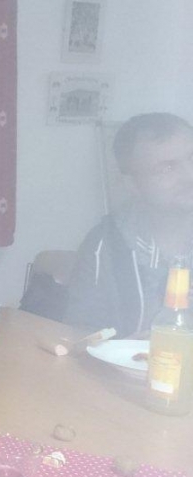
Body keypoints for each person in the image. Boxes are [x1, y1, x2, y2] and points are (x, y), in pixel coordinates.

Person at [65, 113, 193, 337]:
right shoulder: (105, 245)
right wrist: (131, 345)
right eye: (167, 168)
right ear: (132, 184)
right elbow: (79, 333)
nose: (189, 176)